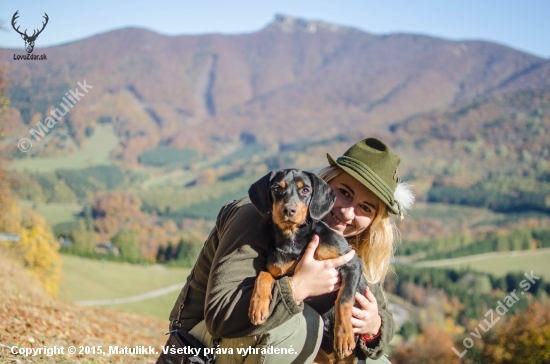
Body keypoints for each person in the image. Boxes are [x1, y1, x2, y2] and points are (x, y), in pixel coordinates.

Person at [166, 137, 414, 363]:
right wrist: (299, 287)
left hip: (271, 339)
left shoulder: (346, 243)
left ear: (373, 220)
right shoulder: (257, 216)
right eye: (344, 193)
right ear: (323, 186)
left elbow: (383, 314)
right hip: (202, 344)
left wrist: (374, 326)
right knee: (300, 325)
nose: (348, 213)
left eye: (366, 208)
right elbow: (220, 317)